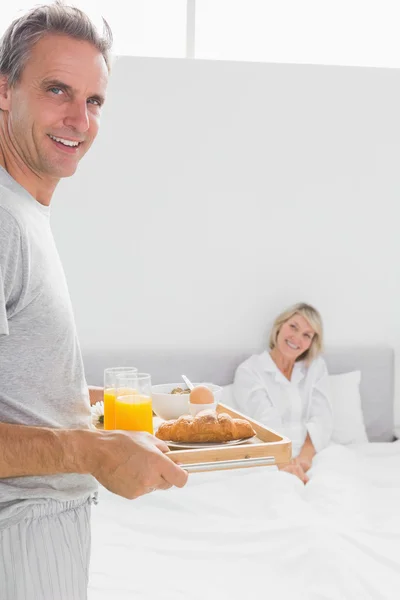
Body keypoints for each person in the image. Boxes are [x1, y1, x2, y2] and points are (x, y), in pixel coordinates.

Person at [0, 3, 188, 598]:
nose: (78, 118)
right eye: (57, 89)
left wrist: (106, 407)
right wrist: (90, 447)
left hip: (44, 532)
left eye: (95, 100)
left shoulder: (25, 214)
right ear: (5, 93)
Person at [233, 303, 333, 484]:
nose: (296, 338)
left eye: (306, 335)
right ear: (279, 326)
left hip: (313, 455)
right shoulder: (250, 370)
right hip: (269, 457)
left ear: (312, 343)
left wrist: (305, 459)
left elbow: (322, 417)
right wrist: (285, 464)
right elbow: (264, 421)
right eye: (293, 327)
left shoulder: (316, 367)